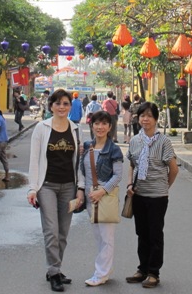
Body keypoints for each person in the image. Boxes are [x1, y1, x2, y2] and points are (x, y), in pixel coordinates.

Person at [27, 89, 84, 293]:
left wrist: (80, 188)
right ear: (51, 106)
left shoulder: (76, 129)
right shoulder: (41, 128)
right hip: (47, 186)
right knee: (51, 231)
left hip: (69, 186)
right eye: (58, 103)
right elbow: (34, 160)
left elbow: (79, 162)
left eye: (65, 103)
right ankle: (54, 273)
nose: (61, 107)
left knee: (63, 233)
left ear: (70, 106)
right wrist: (33, 188)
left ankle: (55, 268)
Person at [125, 102, 178, 289]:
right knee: (142, 233)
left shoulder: (163, 142)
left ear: (155, 119)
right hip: (139, 194)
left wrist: (164, 187)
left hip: (158, 196)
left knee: (155, 234)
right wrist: (129, 184)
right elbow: (132, 165)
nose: (145, 119)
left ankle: (154, 272)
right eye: (142, 116)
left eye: (149, 116)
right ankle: (143, 269)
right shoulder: (135, 141)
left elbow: (173, 169)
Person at [78, 110, 123, 286]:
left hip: (105, 198)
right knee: (99, 237)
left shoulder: (114, 149)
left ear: (110, 127)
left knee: (106, 238)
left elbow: (117, 176)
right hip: (90, 198)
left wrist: (102, 191)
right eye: (97, 123)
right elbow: (81, 170)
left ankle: (101, 274)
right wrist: (81, 190)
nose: (100, 127)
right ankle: (106, 269)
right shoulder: (87, 146)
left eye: (104, 123)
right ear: (92, 126)